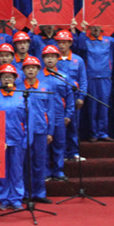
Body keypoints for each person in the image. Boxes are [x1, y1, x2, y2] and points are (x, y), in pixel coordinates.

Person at [72, 20, 114, 142]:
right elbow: (78, 46)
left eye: (98, 25)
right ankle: (94, 133)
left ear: (102, 26)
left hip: (105, 77)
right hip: (90, 77)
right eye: (93, 26)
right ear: (89, 28)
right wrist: (82, 31)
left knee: (103, 105)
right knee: (92, 107)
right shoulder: (86, 40)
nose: (96, 28)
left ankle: (103, 132)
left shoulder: (109, 40)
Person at [17, 56, 53, 204]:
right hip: (23, 131)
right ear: (23, 70)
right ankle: (26, 193)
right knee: (25, 163)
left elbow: (50, 111)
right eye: (28, 67)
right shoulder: (18, 88)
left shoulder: (46, 87)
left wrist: (50, 132)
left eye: (33, 67)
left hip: (40, 130)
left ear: (38, 70)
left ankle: (40, 193)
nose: (30, 70)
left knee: (40, 162)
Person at [0, 64, 27, 211]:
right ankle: (4, 198)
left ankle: (17, 198)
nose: (7, 79)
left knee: (17, 171)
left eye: (10, 77)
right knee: (2, 171)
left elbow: (28, 118)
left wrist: (26, 137)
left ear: (15, 78)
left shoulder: (22, 95)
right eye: (4, 77)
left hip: (18, 138)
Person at [40, 46, 74, 181]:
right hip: (43, 116)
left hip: (59, 116)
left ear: (57, 59)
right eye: (47, 57)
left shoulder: (64, 77)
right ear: (43, 59)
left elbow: (70, 98)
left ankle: (58, 171)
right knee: (44, 145)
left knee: (59, 144)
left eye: (52, 57)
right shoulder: (38, 77)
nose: (50, 59)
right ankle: (46, 172)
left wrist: (68, 115)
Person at [54, 30, 87, 162]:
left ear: (70, 43)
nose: (61, 45)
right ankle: (61, 153)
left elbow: (83, 80)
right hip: (58, 99)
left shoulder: (78, 60)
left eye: (64, 42)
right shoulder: (54, 59)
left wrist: (81, 97)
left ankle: (74, 152)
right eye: (59, 42)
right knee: (59, 127)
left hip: (73, 97)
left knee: (73, 125)